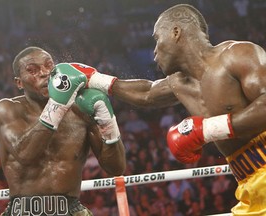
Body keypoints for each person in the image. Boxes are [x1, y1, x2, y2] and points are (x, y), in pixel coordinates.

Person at [65, 4, 266, 215]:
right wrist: (94, 79)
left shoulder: (237, 54)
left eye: (157, 39)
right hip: (248, 185)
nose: (153, 52)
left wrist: (206, 130)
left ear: (176, 32)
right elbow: (147, 93)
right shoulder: (180, 83)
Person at [0, 46, 126, 216]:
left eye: (49, 66)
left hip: (72, 210)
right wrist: (58, 104)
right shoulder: (8, 109)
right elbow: (26, 154)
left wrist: (108, 122)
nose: (44, 73)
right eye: (32, 70)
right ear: (19, 82)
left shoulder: (81, 111)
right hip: (23, 211)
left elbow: (116, 168)